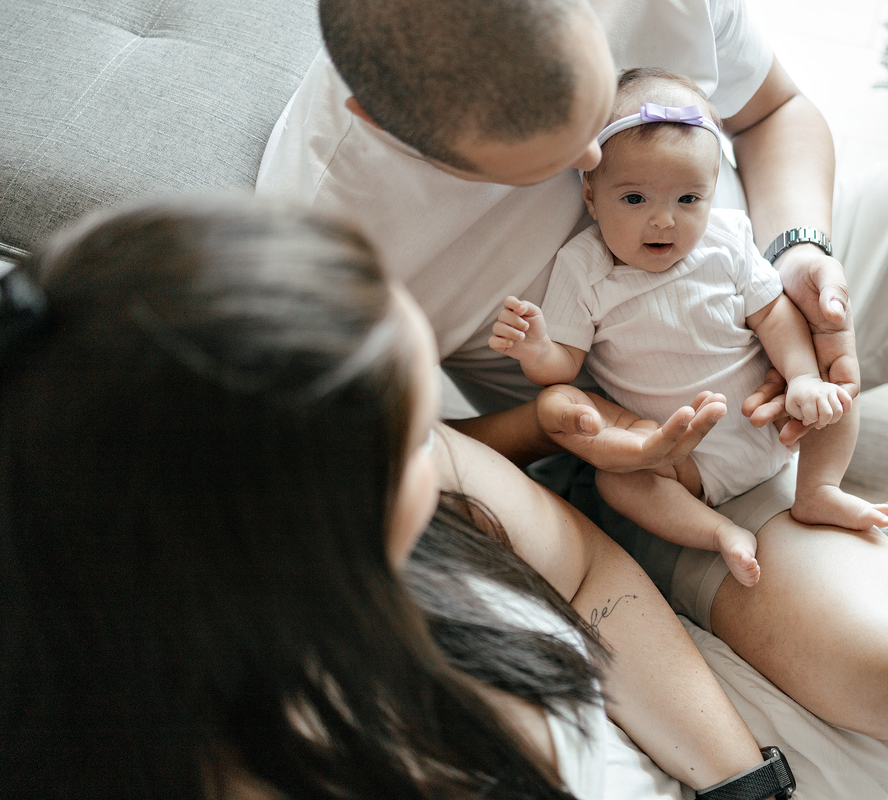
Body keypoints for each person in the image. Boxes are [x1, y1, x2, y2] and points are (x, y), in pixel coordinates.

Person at [257, 0, 888, 768]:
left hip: (749, 265)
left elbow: (776, 112)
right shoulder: (321, 236)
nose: (593, 164)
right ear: (384, 120)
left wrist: (801, 250)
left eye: (596, 112)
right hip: (667, 445)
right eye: (548, 157)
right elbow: (402, 464)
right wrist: (560, 423)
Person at [0, 197, 800, 799]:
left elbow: (589, 573)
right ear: (303, 537)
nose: (453, 446)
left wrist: (743, 788)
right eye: (420, 438)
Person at [491, 68, 888, 587]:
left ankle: (819, 489)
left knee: (837, 383)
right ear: (591, 194)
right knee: (618, 484)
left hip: (776, 418)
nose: (664, 221)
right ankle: (718, 531)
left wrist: (802, 378)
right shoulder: (583, 268)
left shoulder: (726, 242)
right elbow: (563, 366)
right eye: (634, 199)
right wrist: (537, 348)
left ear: (711, 193)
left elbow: (772, 313)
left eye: (688, 200)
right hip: (684, 458)